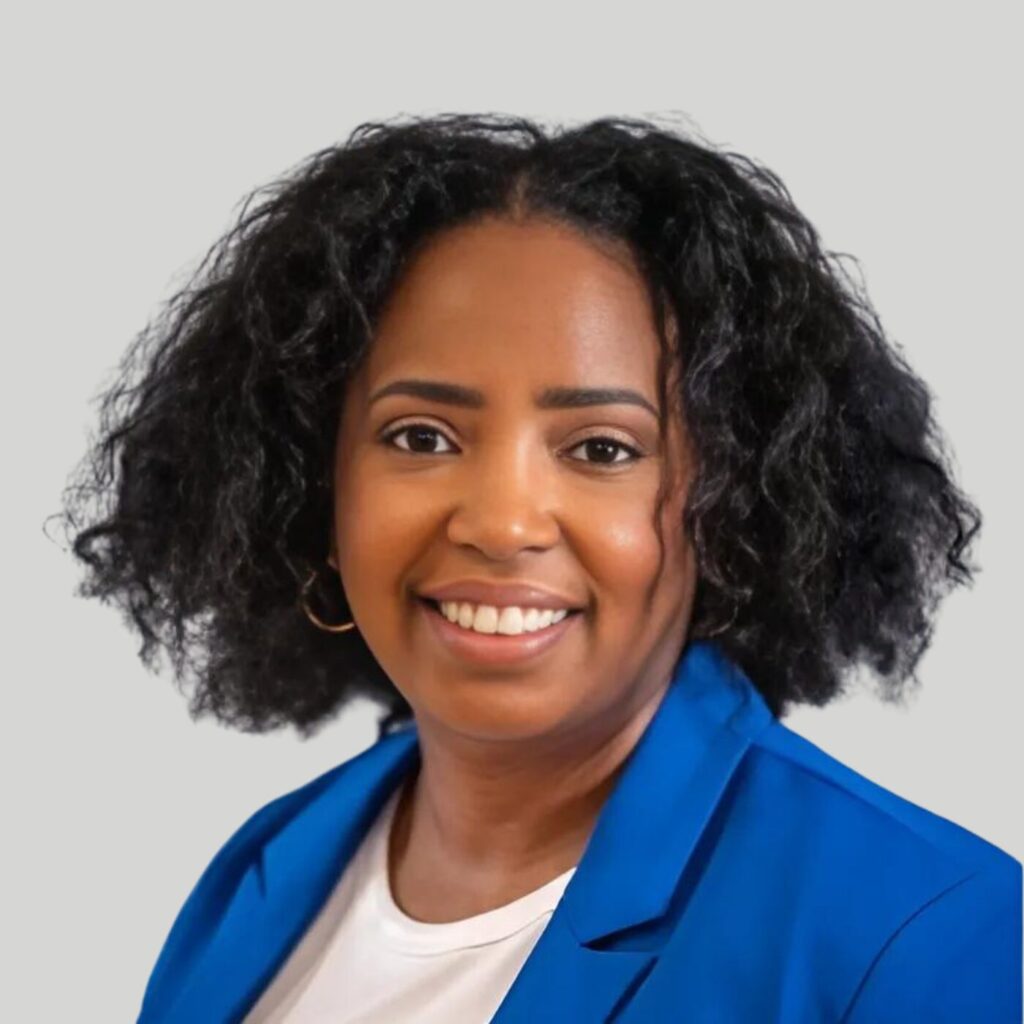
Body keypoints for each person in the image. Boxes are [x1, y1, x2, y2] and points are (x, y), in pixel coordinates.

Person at [59, 112, 1021, 1022]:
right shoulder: (262, 875)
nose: (502, 522)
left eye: (602, 448)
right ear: (313, 478)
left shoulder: (923, 935)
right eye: (422, 435)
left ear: (734, 504)